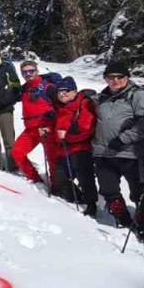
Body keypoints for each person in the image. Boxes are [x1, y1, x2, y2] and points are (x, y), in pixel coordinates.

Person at [92, 62, 144, 245]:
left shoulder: (138, 95)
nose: (116, 80)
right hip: (104, 153)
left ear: (127, 77)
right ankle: (123, 219)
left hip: (131, 153)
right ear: (105, 78)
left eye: (120, 77)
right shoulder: (103, 97)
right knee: (108, 190)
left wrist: (125, 138)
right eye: (111, 77)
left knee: (139, 192)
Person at [52, 78, 98, 215]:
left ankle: (91, 204)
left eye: (66, 91)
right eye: (59, 92)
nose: (62, 94)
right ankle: (76, 199)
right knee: (60, 176)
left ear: (74, 91)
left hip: (81, 147)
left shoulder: (84, 103)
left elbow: (86, 126)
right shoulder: (61, 107)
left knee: (85, 177)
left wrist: (67, 134)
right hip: (64, 148)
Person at [12, 60, 57, 185]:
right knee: (17, 152)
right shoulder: (25, 88)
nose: (28, 74)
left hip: (46, 129)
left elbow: (61, 106)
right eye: (25, 72)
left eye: (31, 71)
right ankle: (35, 179)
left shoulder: (48, 87)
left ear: (37, 71)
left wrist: (52, 119)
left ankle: (57, 185)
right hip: (31, 130)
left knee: (52, 159)